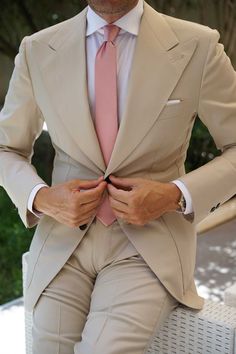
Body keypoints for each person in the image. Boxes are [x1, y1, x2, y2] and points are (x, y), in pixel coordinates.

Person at [0, 0, 236, 353]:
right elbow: (6, 148)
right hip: (64, 242)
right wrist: (43, 198)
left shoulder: (198, 45)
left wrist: (174, 194)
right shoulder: (37, 49)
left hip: (149, 244)